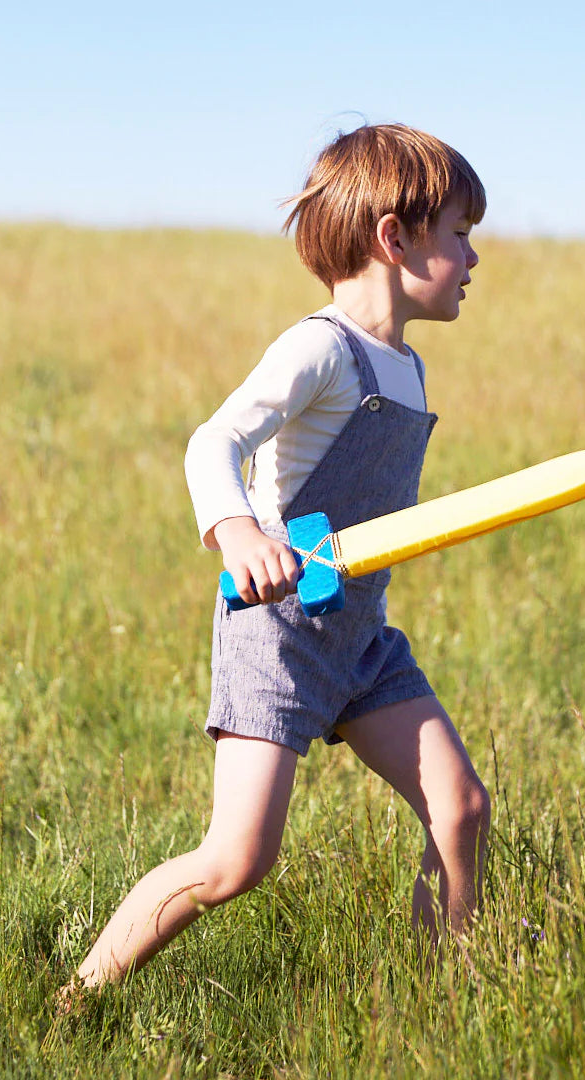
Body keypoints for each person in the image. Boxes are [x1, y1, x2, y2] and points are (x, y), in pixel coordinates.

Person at [67, 123, 490, 992]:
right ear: (394, 238)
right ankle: (80, 995)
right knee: (235, 861)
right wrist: (238, 532)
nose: (474, 256)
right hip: (279, 632)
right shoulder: (319, 350)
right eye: (459, 232)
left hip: (360, 635)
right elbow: (212, 441)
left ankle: (432, 1000)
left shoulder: (406, 367)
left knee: (462, 809)